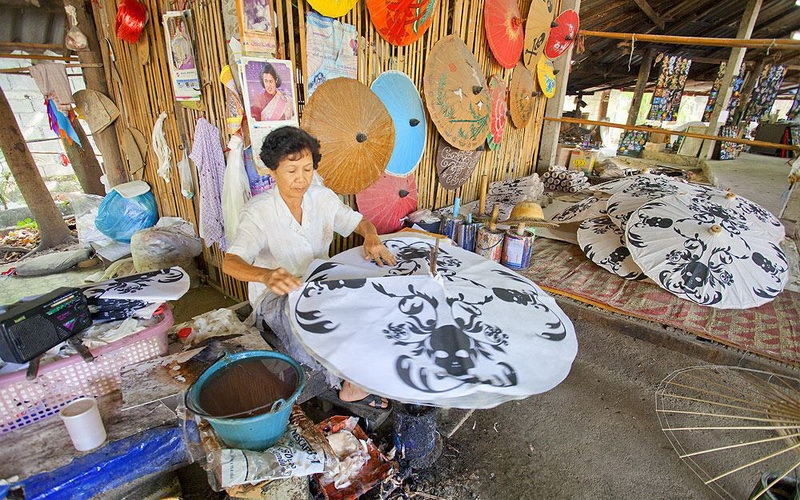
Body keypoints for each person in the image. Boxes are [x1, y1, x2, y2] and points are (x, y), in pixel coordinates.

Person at [223, 126, 396, 409]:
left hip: (319, 283)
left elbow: (357, 222)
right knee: (314, 322)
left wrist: (372, 236)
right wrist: (265, 275)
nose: (301, 179)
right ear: (272, 171)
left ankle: (358, 376)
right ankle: (345, 382)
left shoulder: (322, 198)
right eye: (291, 171)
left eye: (307, 169)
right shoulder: (258, 212)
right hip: (278, 292)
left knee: (368, 302)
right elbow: (231, 262)